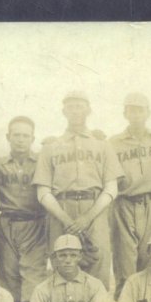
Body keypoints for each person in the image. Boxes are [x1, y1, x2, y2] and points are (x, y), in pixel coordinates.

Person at [33, 91, 124, 290]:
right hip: (60, 211)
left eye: (80, 106)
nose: (75, 111)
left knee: (98, 266)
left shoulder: (102, 144)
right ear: (64, 111)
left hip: (94, 210)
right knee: (63, 268)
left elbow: (111, 187)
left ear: (88, 110)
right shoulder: (51, 146)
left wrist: (88, 217)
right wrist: (65, 219)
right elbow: (43, 191)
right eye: (71, 106)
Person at [108, 93, 151, 299]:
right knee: (125, 263)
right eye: (131, 109)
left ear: (148, 112)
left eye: (140, 109)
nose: (136, 114)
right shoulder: (113, 142)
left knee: (150, 259)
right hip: (123, 204)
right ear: (125, 113)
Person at [0, 116, 48, 302]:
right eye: (16, 135)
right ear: (8, 137)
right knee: (10, 279)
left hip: (35, 224)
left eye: (25, 136)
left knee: (33, 280)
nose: (21, 140)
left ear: (32, 138)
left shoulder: (42, 161)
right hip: (8, 225)